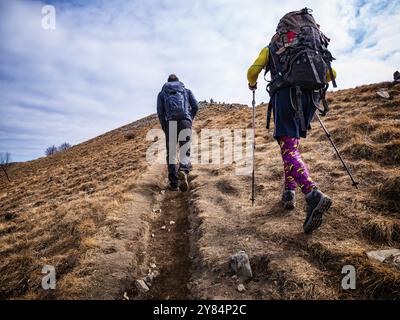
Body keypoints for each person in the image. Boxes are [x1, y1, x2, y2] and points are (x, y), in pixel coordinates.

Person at [247, 9, 337, 233]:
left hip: (286, 98)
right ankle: (289, 192)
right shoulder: (311, 45)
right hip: (309, 99)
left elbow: (252, 71)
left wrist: (252, 84)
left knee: (288, 148)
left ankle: (312, 193)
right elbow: (329, 74)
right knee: (291, 146)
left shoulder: (272, 47)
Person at [157, 74, 198, 192]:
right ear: (179, 81)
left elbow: (160, 112)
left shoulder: (162, 93)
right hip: (185, 121)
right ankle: (183, 170)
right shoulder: (186, 91)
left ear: (168, 82)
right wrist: (189, 119)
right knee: (185, 149)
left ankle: (174, 183)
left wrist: (165, 126)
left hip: (170, 123)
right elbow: (195, 106)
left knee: (171, 153)